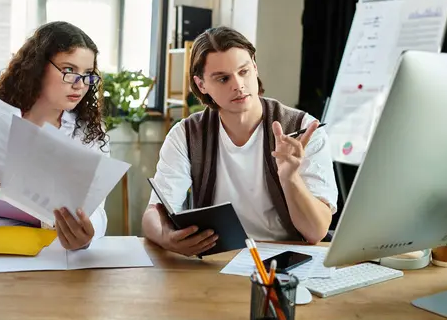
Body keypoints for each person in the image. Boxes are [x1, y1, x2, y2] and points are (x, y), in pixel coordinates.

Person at [142, 26, 338, 257]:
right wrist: (167, 238)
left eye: (243, 71)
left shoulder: (303, 129)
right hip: (218, 259)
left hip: (287, 262)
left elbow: (316, 232)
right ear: (201, 84)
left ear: (254, 67)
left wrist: (290, 178)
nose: (238, 85)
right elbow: (154, 214)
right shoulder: (186, 134)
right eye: (223, 78)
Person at [0, 21, 108, 251]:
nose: (80, 85)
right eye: (69, 71)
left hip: (42, 254)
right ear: (38, 66)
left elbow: (97, 211)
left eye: (88, 74)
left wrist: (87, 233)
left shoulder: (89, 132)